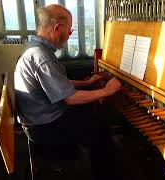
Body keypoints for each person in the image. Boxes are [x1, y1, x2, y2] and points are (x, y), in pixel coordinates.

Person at [14, 4, 121, 179]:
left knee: (91, 112)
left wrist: (88, 83)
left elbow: (57, 83)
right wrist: (107, 91)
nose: (69, 35)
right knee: (100, 128)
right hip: (44, 128)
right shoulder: (41, 56)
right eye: (69, 30)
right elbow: (70, 98)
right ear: (57, 28)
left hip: (39, 121)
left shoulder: (35, 49)